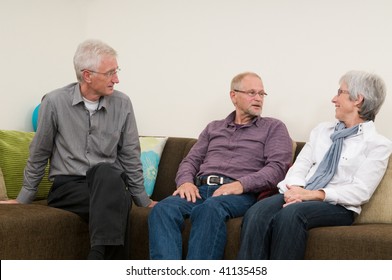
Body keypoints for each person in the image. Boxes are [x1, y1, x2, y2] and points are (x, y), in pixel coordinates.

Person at [0, 39, 156, 259]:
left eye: (116, 71)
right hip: (69, 187)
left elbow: (130, 154)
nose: (117, 79)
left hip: (107, 182)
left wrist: (143, 200)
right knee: (119, 200)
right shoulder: (55, 102)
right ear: (87, 75)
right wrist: (23, 198)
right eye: (110, 72)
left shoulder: (123, 104)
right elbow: (39, 152)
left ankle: (96, 257)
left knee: (107, 174)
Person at [237, 70, 392, 260]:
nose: (334, 99)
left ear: (357, 99)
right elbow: (300, 165)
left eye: (340, 92)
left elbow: (360, 191)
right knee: (256, 212)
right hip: (300, 193)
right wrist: (296, 190)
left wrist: (311, 195)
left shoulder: (378, 144)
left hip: (337, 206)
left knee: (291, 215)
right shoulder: (322, 131)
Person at [148, 71, 293, 259]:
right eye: (251, 93)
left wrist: (240, 185)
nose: (258, 99)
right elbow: (190, 161)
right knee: (162, 209)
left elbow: (277, 168)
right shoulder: (213, 128)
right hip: (200, 189)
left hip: (240, 194)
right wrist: (185, 182)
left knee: (210, 209)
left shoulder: (274, 127)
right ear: (234, 96)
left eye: (261, 94)